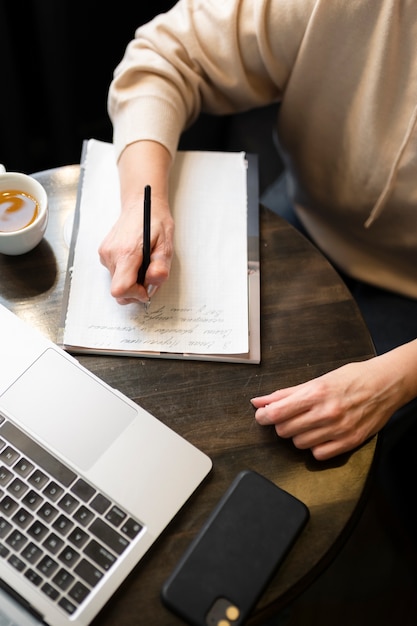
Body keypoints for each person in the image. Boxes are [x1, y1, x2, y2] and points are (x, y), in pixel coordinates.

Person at [98, 0, 417, 461]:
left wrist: (398, 378)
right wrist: (142, 203)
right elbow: (168, 53)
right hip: (310, 211)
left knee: (290, 454)